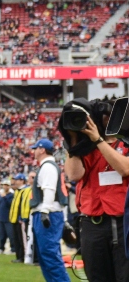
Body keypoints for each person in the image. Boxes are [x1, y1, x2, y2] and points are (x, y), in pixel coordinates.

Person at [63, 109, 129, 282]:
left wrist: (98, 140)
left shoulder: (125, 143)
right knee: (96, 276)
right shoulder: (85, 148)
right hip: (92, 221)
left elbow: (125, 169)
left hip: (122, 220)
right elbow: (74, 175)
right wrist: (73, 140)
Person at [29, 139, 68, 282]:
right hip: (50, 212)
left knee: (49, 255)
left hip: (48, 214)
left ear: (42, 150)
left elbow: (49, 190)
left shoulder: (47, 167)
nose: (33, 151)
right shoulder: (49, 166)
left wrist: (45, 211)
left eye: (35, 149)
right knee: (46, 256)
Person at [8, 173, 32, 264]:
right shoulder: (17, 191)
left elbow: (22, 205)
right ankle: (18, 256)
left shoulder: (25, 190)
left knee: (22, 239)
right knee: (16, 239)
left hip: (20, 219)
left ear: (22, 180)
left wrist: (21, 216)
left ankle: (23, 256)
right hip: (14, 219)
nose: (15, 181)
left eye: (17, 180)